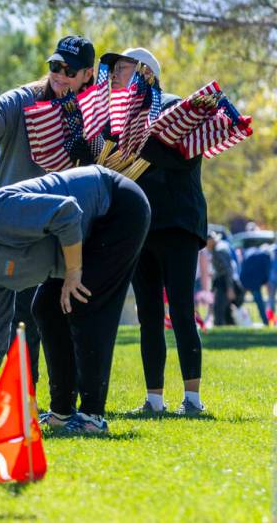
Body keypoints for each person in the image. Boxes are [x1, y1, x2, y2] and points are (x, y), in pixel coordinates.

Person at [0, 166, 150, 434]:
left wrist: (74, 274)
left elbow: (67, 212)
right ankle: (62, 413)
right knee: (46, 308)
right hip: (81, 234)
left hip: (116, 207)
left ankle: (92, 417)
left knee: (83, 302)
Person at [0, 36, 98, 399]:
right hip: (13, 231)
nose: (59, 75)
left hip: (64, 229)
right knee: (19, 320)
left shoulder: (95, 108)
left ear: (88, 73)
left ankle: (65, 402)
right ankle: (24, 399)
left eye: (70, 71)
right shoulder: (28, 97)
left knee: (59, 318)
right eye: (55, 66)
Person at [101, 47, 208, 416]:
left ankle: (192, 399)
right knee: (149, 314)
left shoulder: (176, 108)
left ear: (146, 72)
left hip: (178, 224)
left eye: (123, 67)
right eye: (114, 69)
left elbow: (186, 156)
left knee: (180, 309)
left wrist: (140, 146)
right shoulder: (119, 120)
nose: (115, 74)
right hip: (141, 227)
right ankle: (154, 399)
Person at [239, 243, 274, 325]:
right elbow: (267, 276)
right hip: (254, 283)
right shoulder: (266, 257)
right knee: (260, 303)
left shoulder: (252, 252)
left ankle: (231, 320)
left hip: (243, 279)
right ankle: (266, 322)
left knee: (238, 302)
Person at [208, 233, 238, 326]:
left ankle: (219, 328)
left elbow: (228, 270)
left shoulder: (219, 250)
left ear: (211, 241)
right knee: (226, 310)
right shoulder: (218, 248)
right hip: (222, 281)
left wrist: (230, 288)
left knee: (219, 309)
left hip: (224, 282)